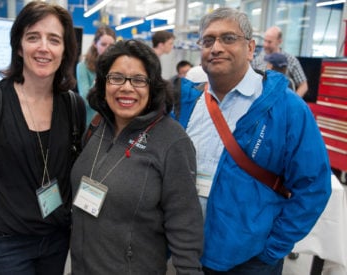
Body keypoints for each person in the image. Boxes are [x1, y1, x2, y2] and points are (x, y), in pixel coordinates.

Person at [175, 7, 331, 274]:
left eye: (228, 38)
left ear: (250, 48)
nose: (216, 48)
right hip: (187, 252)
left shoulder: (286, 108)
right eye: (208, 40)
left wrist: (273, 249)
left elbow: (314, 185)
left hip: (250, 260)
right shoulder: (188, 103)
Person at [0, 2, 86, 274]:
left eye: (54, 39)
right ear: (19, 46)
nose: (43, 47)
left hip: (55, 242)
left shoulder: (73, 106)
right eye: (33, 37)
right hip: (2, 246)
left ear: (65, 50)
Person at [70, 39, 203, 274]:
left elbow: (184, 225)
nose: (127, 88)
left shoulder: (172, 142)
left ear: (152, 86)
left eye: (139, 80)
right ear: (103, 84)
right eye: (117, 78)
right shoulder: (98, 125)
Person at [251, 26, 308, 97]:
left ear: (279, 41)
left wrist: (292, 101)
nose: (265, 45)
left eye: (269, 42)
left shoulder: (291, 60)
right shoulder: (257, 59)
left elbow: (303, 85)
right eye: (265, 41)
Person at [76, 25, 116, 125]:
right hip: (91, 122)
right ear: (95, 44)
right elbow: (85, 99)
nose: (107, 49)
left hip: (112, 121)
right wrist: (100, 74)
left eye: (111, 46)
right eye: (103, 44)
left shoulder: (118, 67)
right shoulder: (83, 67)